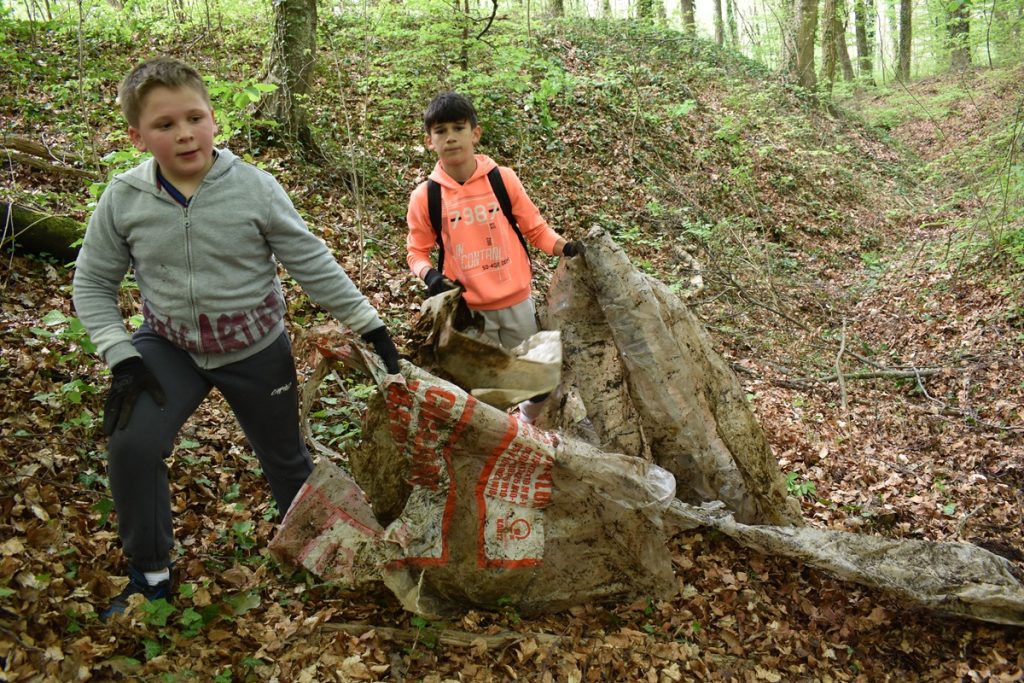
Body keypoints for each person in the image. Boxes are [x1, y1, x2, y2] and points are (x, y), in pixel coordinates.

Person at [72, 56, 401, 619]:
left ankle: (316, 551)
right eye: (165, 124)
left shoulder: (253, 188)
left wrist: (368, 323)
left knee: (285, 460)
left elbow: (311, 261)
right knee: (132, 442)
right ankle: (150, 574)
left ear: (213, 120)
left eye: (194, 118)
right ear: (137, 136)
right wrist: (121, 356)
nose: (184, 134)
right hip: (168, 347)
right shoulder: (124, 198)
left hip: (255, 349)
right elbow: (92, 283)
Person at [405, 91, 582, 424]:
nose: (451, 137)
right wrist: (430, 275)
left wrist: (565, 248)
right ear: (430, 141)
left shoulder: (502, 179)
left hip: (517, 303)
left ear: (475, 133)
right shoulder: (426, 196)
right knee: (486, 394)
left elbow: (535, 229)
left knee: (539, 382)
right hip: (470, 313)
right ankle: (497, 439)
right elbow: (416, 251)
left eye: (458, 128)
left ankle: (527, 424)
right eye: (441, 131)